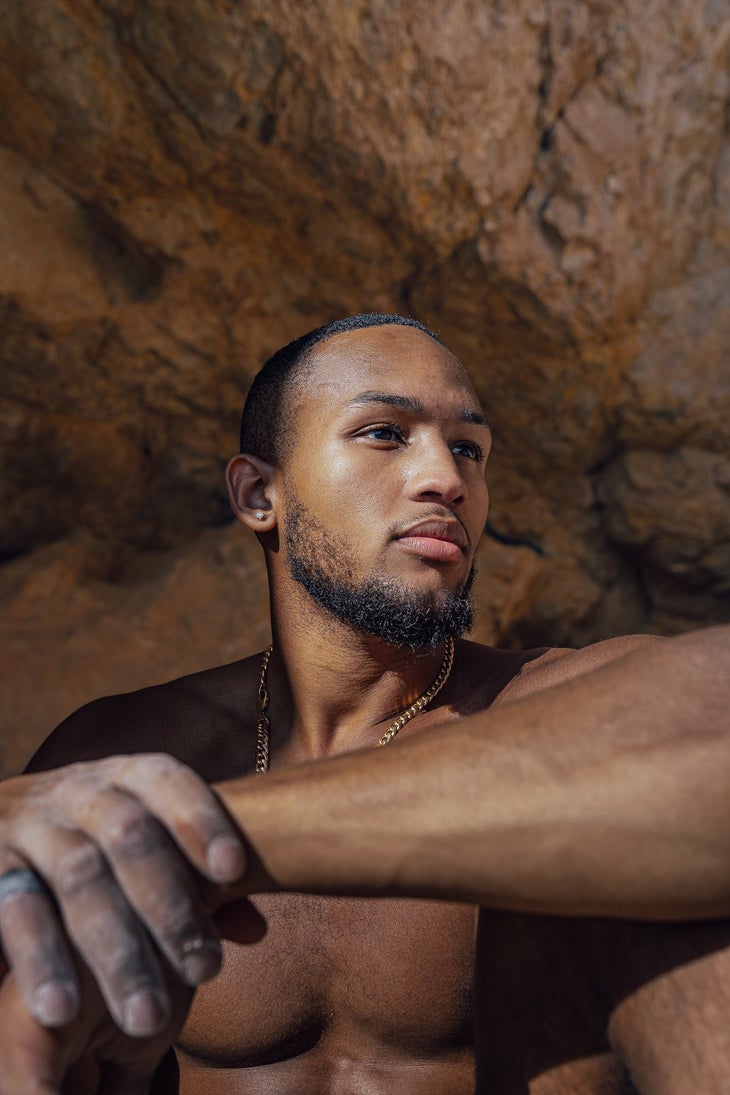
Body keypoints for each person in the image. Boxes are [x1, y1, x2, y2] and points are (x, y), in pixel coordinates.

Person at [1, 313, 729, 1094]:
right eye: (385, 432)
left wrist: (200, 839)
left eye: (469, 449)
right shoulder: (125, 748)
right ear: (258, 494)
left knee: (647, 889)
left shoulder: (553, 699)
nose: (446, 478)